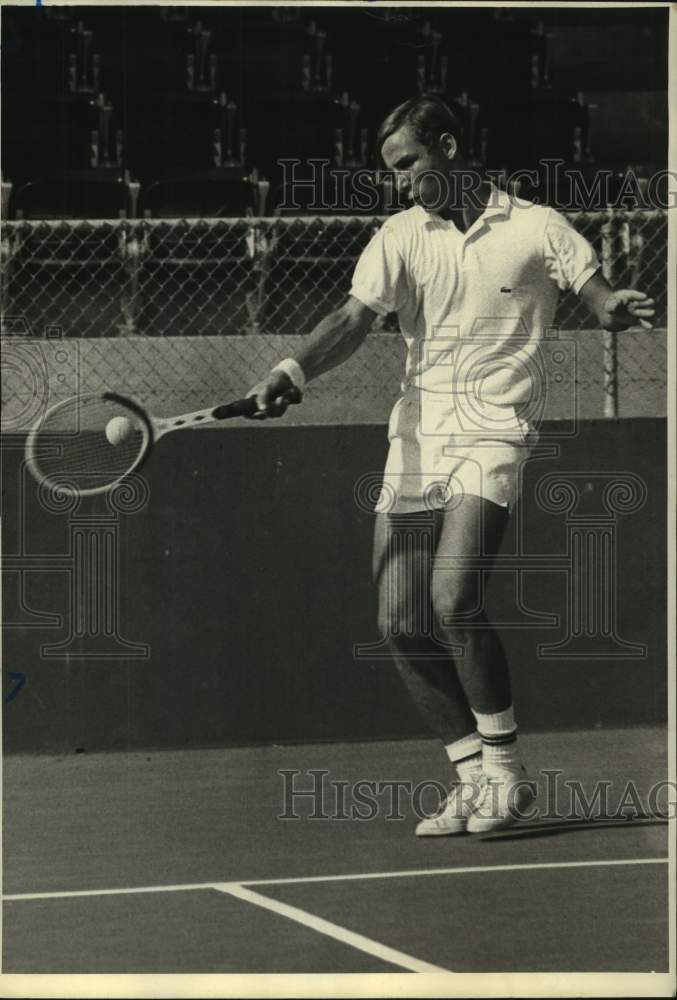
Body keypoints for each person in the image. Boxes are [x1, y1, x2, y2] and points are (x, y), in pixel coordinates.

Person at [246, 95, 655, 835]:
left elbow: (593, 295)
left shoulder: (535, 226)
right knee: (400, 621)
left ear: (448, 146)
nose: (400, 182)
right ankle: (471, 776)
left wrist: (609, 306)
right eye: (392, 172)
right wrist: (290, 373)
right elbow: (351, 320)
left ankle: (505, 773)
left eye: (408, 164)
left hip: (493, 433)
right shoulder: (399, 236)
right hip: (416, 439)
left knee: (452, 598)